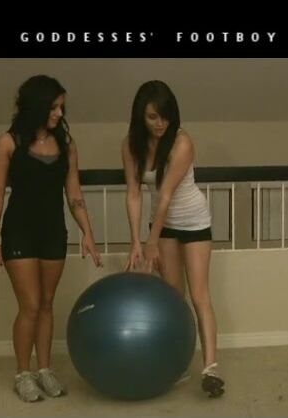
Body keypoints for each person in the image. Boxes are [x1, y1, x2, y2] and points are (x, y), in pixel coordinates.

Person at [0, 75, 103, 402]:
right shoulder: (7, 144)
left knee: (48, 304)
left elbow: (74, 194)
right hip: (19, 231)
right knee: (31, 305)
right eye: (53, 107)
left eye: (61, 107)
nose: (59, 113)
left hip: (53, 232)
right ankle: (23, 373)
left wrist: (88, 234)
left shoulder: (67, 145)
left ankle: (45, 370)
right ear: (36, 106)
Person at [121, 80, 225, 398]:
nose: (160, 123)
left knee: (199, 295)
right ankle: (178, 364)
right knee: (172, 297)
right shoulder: (131, 145)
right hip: (162, 225)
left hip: (193, 221)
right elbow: (134, 193)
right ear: (140, 116)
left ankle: (210, 369)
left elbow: (165, 195)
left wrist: (150, 242)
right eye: (152, 117)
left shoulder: (182, 142)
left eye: (165, 116)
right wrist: (136, 242)